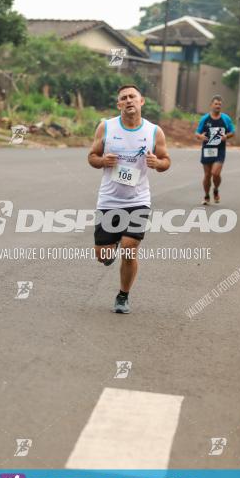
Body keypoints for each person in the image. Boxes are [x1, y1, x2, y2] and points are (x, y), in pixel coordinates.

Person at [88, 84, 170, 314]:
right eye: (123, 98)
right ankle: (109, 248)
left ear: (141, 101)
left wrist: (158, 164)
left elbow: (166, 161)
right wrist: (103, 161)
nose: (128, 100)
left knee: (129, 248)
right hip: (109, 200)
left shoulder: (154, 131)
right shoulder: (106, 126)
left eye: (132, 96)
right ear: (118, 104)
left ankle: (123, 296)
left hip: (138, 200)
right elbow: (92, 157)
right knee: (103, 256)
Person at [195, 95, 235, 205]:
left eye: (220, 104)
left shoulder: (226, 119)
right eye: (216, 104)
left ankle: (216, 189)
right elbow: (197, 133)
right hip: (207, 149)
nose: (218, 106)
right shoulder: (205, 118)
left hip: (220, 150)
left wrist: (226, 136)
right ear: (211, 105)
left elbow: (232, 131)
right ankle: (207, 195)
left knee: (215, 173)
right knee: (207, 175)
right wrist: (201, 137)